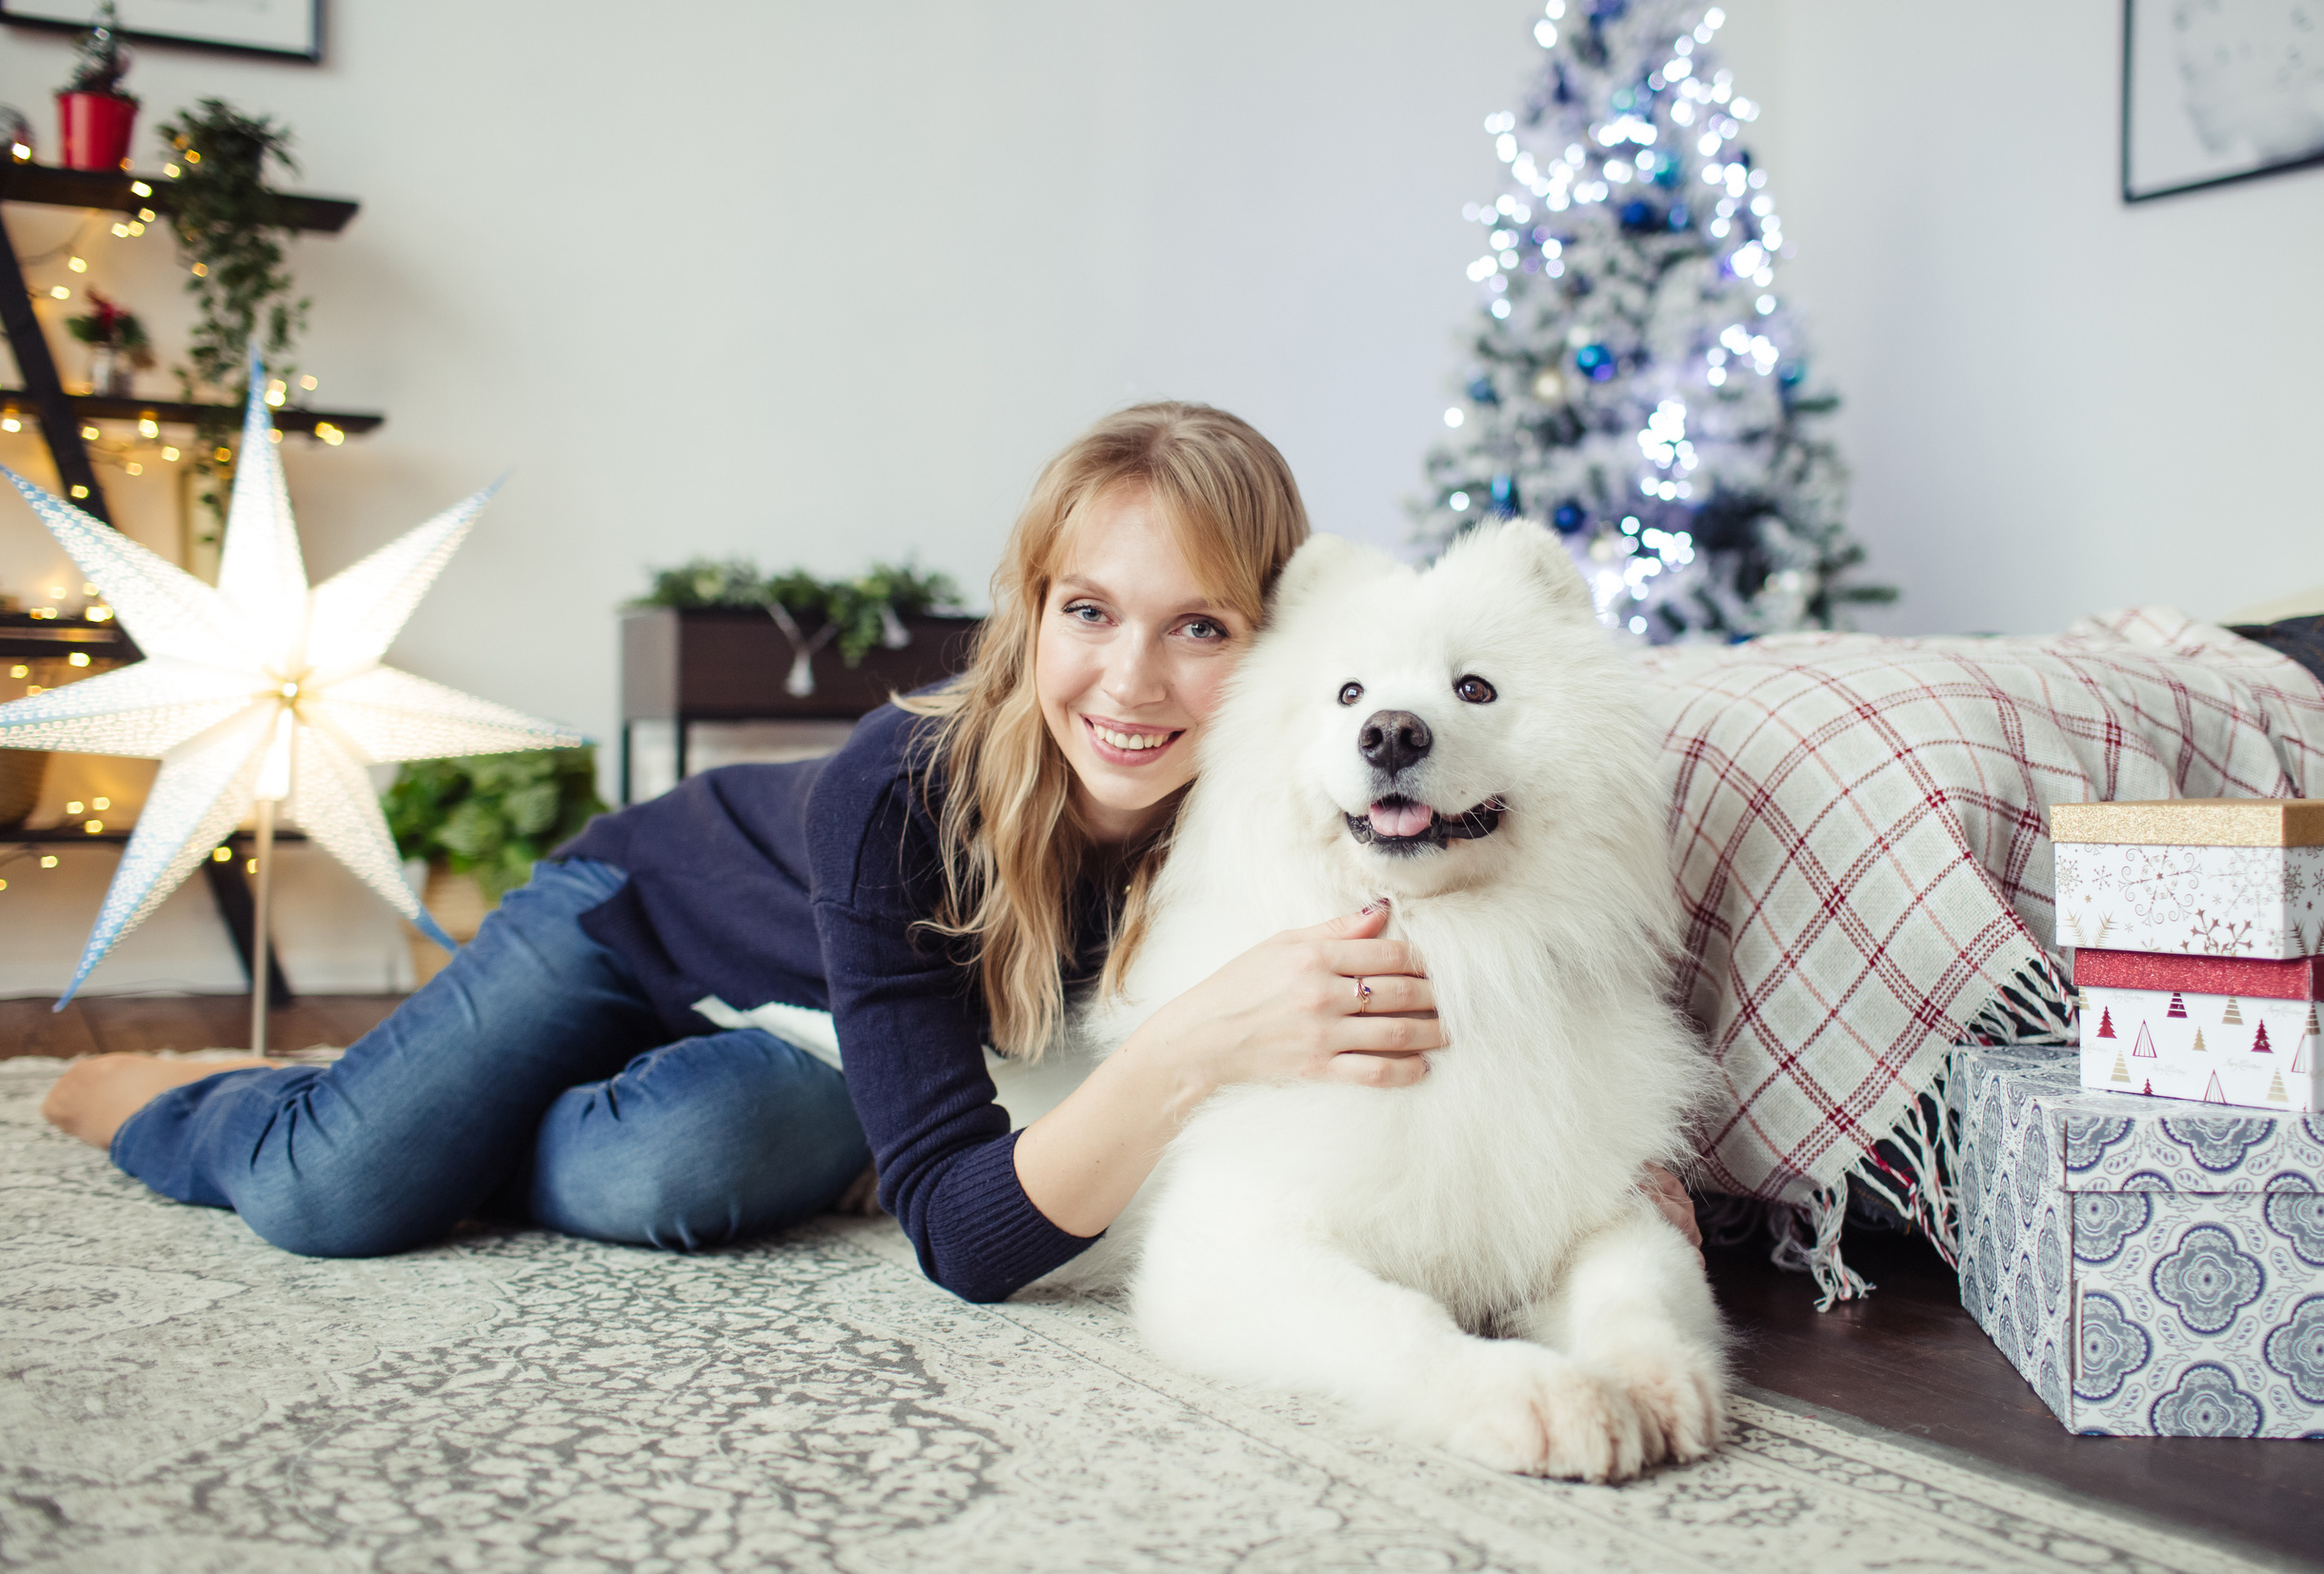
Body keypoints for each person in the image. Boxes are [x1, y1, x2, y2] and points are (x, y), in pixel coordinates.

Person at [42, 402, 1695, 1301]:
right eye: (1090, 613)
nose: (1131, 683)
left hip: (809, 1037)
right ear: (1030, 615)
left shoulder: (1286, 802)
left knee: (687, 1165)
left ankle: (473, 1126)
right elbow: (970, 1247)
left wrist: (1603, 1176)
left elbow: (1489, 978)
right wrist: (1194, 1042)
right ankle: (176, 1092)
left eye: (1200, 629)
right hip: (641, 925)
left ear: (1271, 652)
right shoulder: (893, 789)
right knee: (334, 1193)